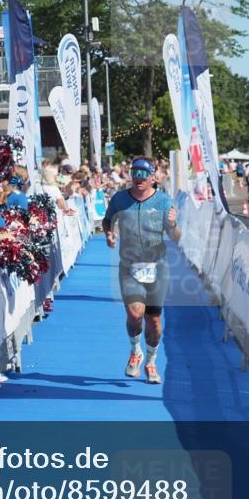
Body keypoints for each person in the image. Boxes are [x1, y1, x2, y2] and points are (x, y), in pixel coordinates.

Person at [102, 157, 181, 385]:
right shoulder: (119, 199)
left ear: (152, 177)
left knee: (154, 320)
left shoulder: (164, 202)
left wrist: (174, 225)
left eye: (143, 175)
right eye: (135, 174)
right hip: (129, 266)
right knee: (135, 314)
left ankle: (151, 361)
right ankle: (135, 351)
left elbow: (176, 238)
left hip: (157, 267)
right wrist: (109, 233)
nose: (139, 179)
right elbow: (108, 220)